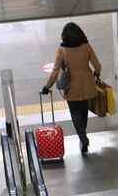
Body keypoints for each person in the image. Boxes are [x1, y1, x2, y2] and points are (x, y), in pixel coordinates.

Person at [41, 21, 103, 155]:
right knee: (83, 112)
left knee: (75, 114)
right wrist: (96, 74)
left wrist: (47, 86)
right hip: (87, 85)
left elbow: (55, 71)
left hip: (71, 87)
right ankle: (83, 137)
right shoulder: (86, 46)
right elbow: (97, 66)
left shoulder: (61, 50)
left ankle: (82, 137)